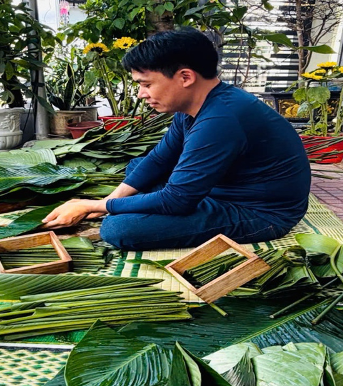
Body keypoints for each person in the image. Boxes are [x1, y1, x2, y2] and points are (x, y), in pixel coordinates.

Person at [42, 28, 311, 250]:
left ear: (185, 77)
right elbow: (160, 158)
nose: (140, 94)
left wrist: (97, 206)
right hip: (219, 187)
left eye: (146, 84)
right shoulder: (197, 106)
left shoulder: (221, 119)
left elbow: (177, 200)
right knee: (139, 167)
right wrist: (107, 203)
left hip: (260, 212)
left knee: (120, 228)